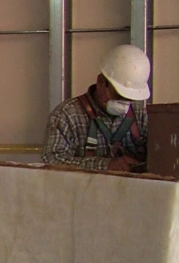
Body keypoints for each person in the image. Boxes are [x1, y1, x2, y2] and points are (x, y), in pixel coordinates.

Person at [42, 44, 151, 172]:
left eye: (130, 98)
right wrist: (105, 166)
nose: (124, 103)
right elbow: (52, 161)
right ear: (101, 82)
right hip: (83, 191)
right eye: (119, 94)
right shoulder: (67, 115)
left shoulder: (139, 115)